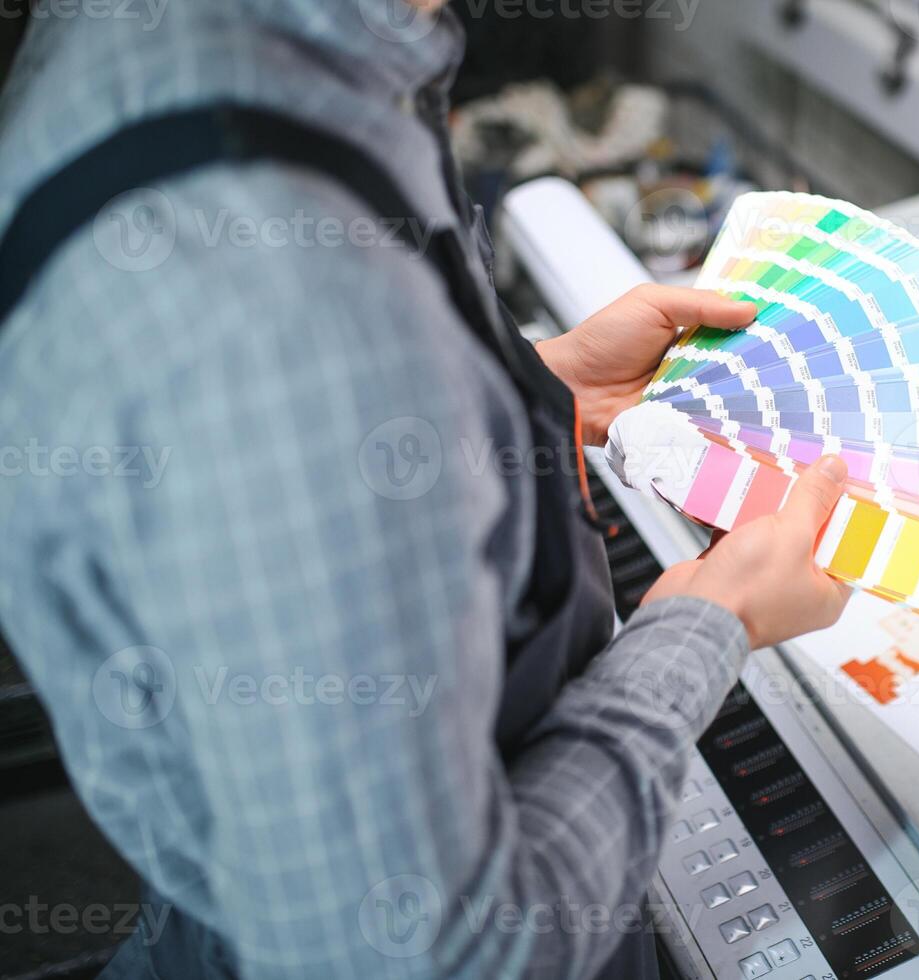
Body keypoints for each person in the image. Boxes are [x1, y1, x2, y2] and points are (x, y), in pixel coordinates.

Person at [0, 2, 850, 977]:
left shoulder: (249, 51)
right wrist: (711, 622)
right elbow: (431, 956)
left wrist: (519, 389)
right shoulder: (278, 318)